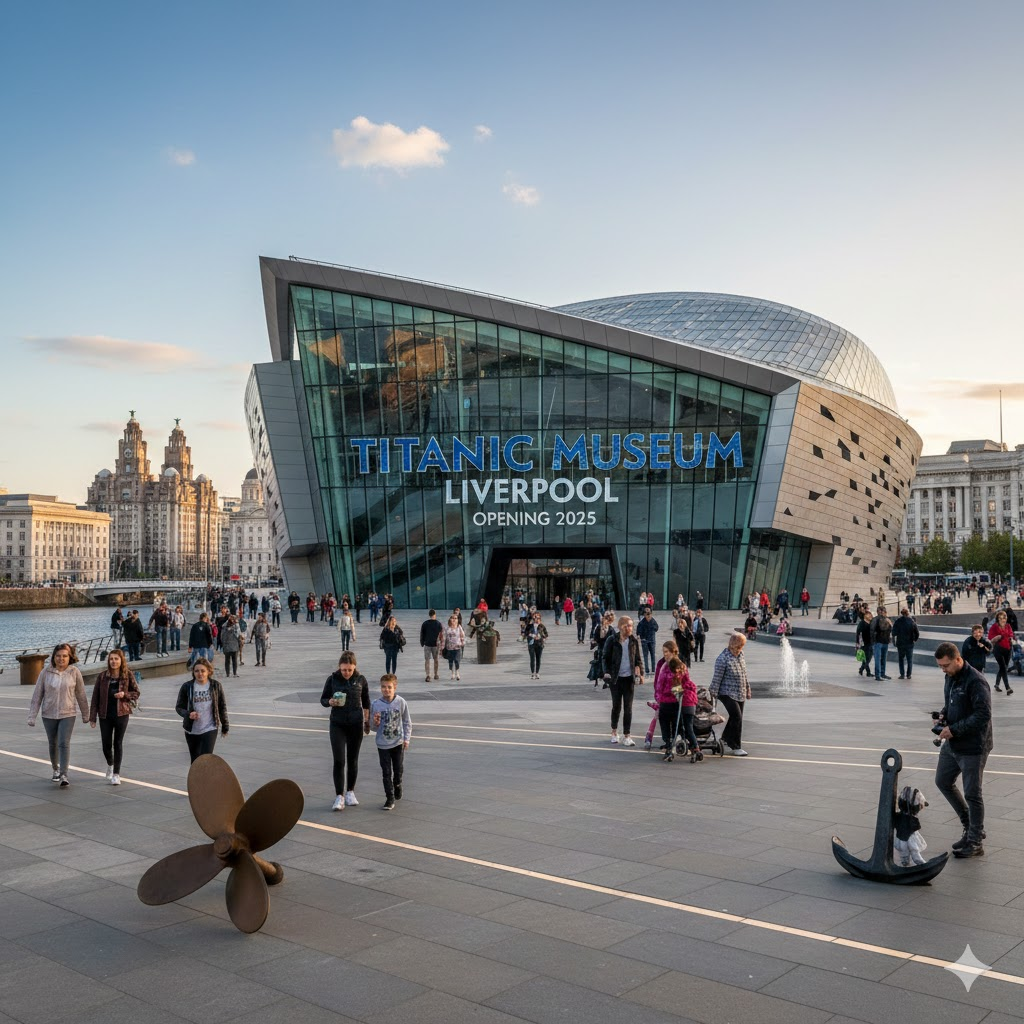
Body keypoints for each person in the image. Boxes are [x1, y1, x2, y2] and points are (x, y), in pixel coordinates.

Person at [933, 642, 993, 858]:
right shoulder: (950, 677)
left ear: (958, 659)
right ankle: (970, 827)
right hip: (953, 743)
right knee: (942, 781)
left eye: (946, 665)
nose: (943, 670)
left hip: (973, 746)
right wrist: (943, 715)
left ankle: (975, 842)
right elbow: (951, 703)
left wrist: (954, 729)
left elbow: (983, 714)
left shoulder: (976, 681)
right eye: (940, 666)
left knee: (972, 793)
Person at [27, 643, 89, 787]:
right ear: (54, 657)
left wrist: (86, 714)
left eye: (64, 656)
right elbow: (37, 695)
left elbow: (81, 694)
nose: (61, 659)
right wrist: (32, 716)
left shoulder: (74, 672)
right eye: (58, 656)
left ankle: (64, 774)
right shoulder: (45, 672)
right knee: (53, 743)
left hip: (68, 713)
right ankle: (55, 769)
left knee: (63, 743)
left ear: (69, 657)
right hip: (48, 714)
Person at [320, 651, 371, 811]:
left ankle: (350, 792)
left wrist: (367, 721)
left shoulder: (361, 680)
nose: (347, 673)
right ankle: (339, 796)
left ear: (354, 667)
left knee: (353, 759)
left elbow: (366, 702)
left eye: (349, 670)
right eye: (344, 670)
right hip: (337, 724)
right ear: (339, 667)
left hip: (355, 724)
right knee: (339, 760)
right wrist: (330, 702)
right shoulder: (332, 679)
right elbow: (323, 699)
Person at [88, 648, 140, 785]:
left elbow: (136, 693)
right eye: (111, 659)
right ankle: (110, 764)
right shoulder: (102, 676)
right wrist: (92, 717)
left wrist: (125, 695)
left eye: (116, 659)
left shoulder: (127, 675)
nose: (113, 661)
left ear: (121, 660)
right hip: (104, 715)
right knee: (106, 745)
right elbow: (95, 697)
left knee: (118, 743)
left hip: (122, 713)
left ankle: (116, 774)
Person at [174, 657, 229, 762]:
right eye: (197, 671)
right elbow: (179, 707)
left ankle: (207, 773)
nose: (200, 674)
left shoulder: (216, 686)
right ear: (193, 672)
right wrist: (188, 714)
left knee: (206, 759)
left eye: (203, 671)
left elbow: (222, 706)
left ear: (208, 671)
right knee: (195, 761)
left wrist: (225, 726)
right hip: (192, 730)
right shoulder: (187, 687)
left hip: (210, 728)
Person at [371, 673, 412, 811]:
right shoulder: (376, 704)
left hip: (397, 742)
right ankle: (389, 798)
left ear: (395, 687)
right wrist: (375, 723)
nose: (386, 690)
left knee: (398, 769)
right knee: (386, 772)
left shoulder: (401, 702)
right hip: (382, 744)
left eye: (389, 687)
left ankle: (398, 784)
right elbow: (372, 727)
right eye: (383, 687)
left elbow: (407, 722)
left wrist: (406, 739)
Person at [602, 615, 644, 745]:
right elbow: (605, 657)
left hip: (629, 679)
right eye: (628, 626)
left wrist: (641, 673)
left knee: (628, 707)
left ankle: (627, 735)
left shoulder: (633, 641)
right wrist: (606, 672)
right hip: (615, 679)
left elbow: (638, 659)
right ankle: (614, 732)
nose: (630, 628)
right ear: (620, 627)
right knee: (616, 706)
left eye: (631, 626)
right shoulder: (612, 640)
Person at [710, 633, 751, 756]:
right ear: (735, 644)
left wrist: (748, 688)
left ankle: (724, 739)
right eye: (741, 645)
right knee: (737, 717)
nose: (742, 647)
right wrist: (712, 696)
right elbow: (717, 679)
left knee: (735, 718)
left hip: (740, 692)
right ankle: (736, 746)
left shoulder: (741, 655)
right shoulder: (723, 659)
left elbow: (744, 673)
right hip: (726, 693)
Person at [987, 610, 1015, 695]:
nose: (1003, 619)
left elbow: (1011, 634)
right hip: (998, 649)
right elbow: (990, 637)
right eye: (1001, 618)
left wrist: (1011, 639)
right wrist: (997, 637)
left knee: (1004, 667)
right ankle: (1008, 688)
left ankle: (996, 684)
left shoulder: (1008, 626)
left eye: (1004, 617)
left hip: (1008, 648)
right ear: (998, 619)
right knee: (1003, 667)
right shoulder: (994, 627)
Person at [892, 608, 920, 680]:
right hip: (909, 643)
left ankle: (902, 674)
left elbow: (894, 632)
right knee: (909, 659)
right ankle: (908, 675)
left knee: (901, 659)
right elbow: (917, 632)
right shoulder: (911, 621)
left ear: (901, 613)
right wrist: (914, 639)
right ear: (907, 613)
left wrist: (894, 642)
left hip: (900, 643)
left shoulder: (898, 621)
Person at [419, 609, 443, 681]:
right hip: (435, 644)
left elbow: (422, 634)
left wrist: (422, 642)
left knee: (427, 660)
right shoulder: (438, 624)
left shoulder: (425, 623)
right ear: (435, 614)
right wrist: (442, 644)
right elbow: (441, 635)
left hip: (427, 644)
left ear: (429, 615)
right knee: (436, 660)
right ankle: (436, 674)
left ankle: (428, 675)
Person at [871, 607, 893, 681]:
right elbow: (891, 630)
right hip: (882, 641)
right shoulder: (886, 619)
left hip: (880, 641)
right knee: (882, 658)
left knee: (879, 659)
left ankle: (879, 674)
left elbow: (872, 630)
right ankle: (880, 674)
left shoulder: (875, 619)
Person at [442, 613, 466, 680]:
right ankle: (452, 673)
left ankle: (457, 673)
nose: (454, 620)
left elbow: (462, 635)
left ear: (457, 620)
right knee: (450, 661)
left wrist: (463, 643)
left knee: (457, 661)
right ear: (450, 619)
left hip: (457, 647)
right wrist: (442, 647)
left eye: (455, 618)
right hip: (449, 648)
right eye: (452, 618)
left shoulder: (459, 627)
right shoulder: (447, 628)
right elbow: (444, 638)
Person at [525, 612, 549, 679]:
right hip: (531, 644)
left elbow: (546, 634)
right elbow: (526, 633)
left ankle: (537, 673)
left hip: (539, 644)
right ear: (533, 618)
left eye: (538, 617)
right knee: (532, 659)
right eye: (535, 617)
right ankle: (533, 673)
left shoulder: (542, 626)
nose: (536, 618)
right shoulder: (529, 626)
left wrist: (541, 637)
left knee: (538, 659)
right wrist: (532, 635)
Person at [637, 607, 659, 673]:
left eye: (649, 613)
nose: (648, 615)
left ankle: (653, 669)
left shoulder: (653, 621)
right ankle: (647, 670)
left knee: (653, 655)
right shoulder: (641, 622)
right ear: (644, 615)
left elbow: (656, 628)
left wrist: (652, 626)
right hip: (644, 641)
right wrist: (640, 637)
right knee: (645, 655)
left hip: (652, 640)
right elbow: (638, 631)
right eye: (647, 614)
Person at [856, 609, 874, 677]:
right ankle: (868, 672)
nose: (871, 616)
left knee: (868, 658)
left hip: (871, 642)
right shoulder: (862, 623)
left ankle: (861, 669)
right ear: (865, 616)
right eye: (869, 615)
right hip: (865, 643)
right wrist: (858, 643)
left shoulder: (871, 623)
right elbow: (858, 634)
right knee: (867, 658)